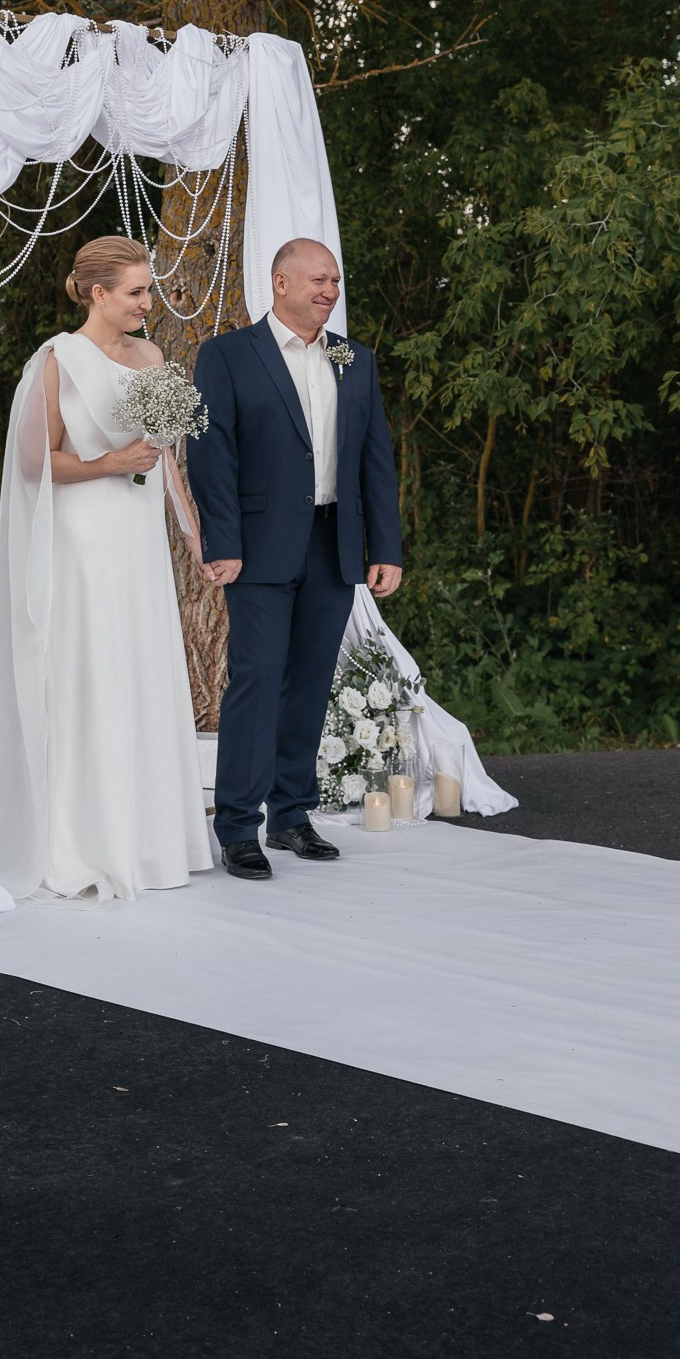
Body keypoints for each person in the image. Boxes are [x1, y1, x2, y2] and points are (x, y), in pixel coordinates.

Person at [0, 236, 212, 901]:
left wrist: (193, 535)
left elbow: (163, 456)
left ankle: (149, 838)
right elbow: (32, 463)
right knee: (93, 670)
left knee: (139, 667)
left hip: (137, 538)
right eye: (135, 291)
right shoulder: (56, 362)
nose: (147, 302)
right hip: (83, 538)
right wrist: (109, 463)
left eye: (148, 289)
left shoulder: (152, 357)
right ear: (97, 294)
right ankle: (87, 839)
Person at [187, 238, 403, 880]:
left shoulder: (353, 359)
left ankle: (290, 815)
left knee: (310, 682)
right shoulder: (228, 355)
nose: (330, 291)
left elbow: (376, 458)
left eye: (335, 281)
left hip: (334, 543)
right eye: (318, 280)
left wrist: (385, 547)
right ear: (280, 283)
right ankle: (237, 827)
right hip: (257, 548)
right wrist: (222, 542)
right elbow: (211, 454)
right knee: (256, 680)